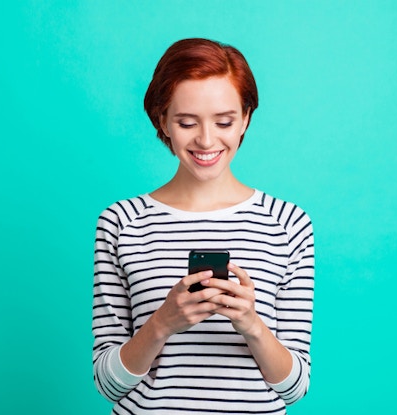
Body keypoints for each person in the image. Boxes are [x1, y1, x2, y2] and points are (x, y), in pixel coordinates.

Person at [92, 38, 314, 414]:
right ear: (162, 119)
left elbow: (295, 389)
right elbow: (107, 385)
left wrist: (251, 325)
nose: (207, 140)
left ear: (246, 118)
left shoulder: (288, 224)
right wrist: (162, 322)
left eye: (224, 121)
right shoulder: (121, 222)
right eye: (186, 122)